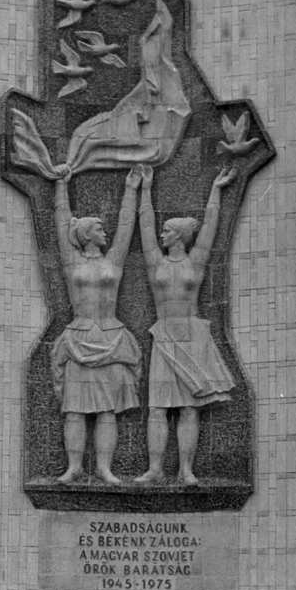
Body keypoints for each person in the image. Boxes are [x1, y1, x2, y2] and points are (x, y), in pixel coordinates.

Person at [135, 164, 236, 485]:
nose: (161, 235)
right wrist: (146, 190)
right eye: (162, 231)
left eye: (167, 231)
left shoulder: (195, 261)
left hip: (194, 337)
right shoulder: (156, 263)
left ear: (179, 236)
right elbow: (145, 226)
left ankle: (186, 470)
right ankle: (155, 469)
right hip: (164, 335)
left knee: (190, 409)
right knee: (158, 409)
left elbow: (209, 229)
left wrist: (216, 191)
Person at [50, 167, 142, 484]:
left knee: (107, 410)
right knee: (74, 410)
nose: (106, 233)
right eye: (100, 229)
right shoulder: (72, 261)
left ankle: (105, 468)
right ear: (87, 234)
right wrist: (61, 185)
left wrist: (131, 190)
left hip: (112, 338)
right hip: (77, 339)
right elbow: (63, 221)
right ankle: (74, 467)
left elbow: (126, 229)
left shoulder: (112, 261)